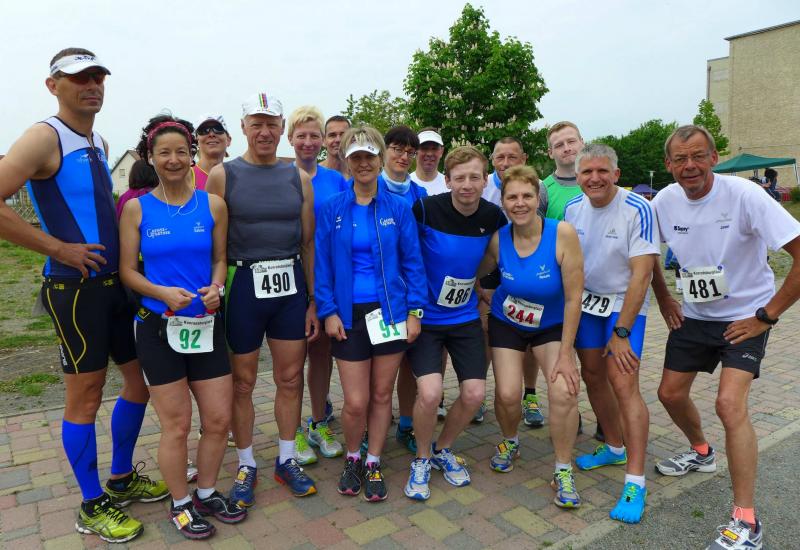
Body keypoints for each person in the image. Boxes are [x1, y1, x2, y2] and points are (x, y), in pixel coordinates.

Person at [0, 48, 167, 544]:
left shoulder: (97, 140)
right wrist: (58, 248)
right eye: (79, 78)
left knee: (139, 384)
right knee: (86, 396)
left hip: (114, 287)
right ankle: (92, 504)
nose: (91, 85)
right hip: (74, 292)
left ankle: (121, 477)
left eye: (97, 77)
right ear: (53, 85)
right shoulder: (43, 136)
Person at [651, 125, 800, 550]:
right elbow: (646, 255)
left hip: (744, 317)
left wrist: (766, 317)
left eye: (698, 156)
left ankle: (746, 519)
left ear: (714, 158)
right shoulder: (663, 201)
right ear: (668, 164)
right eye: (681, 159)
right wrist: (664, 297)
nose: (690, 166)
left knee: (729, 404)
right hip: (695, 317)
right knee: (669, 394)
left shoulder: (746, 196)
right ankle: (701, 452)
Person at [119, 116, 246, 539]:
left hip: (206, 324)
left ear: (191, 155)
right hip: (160, 327)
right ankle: (180, 503)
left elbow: (220, 259)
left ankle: (206, 491)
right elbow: (127, 271)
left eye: (180, 152)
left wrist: (217, 288)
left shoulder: (213, 205)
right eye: (164, 153)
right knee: (176, 425)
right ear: (150, 158)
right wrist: (161, 292)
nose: (173, 160)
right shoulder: (137, 208)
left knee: (218, 419)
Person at [206, 92, 320, 503]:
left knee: (290, 378)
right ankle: (246, 463)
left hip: (289, 288)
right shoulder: (222, 175)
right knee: (243, 382)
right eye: (257, 124)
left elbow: (307, 243)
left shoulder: (298, 178)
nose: (265, 131)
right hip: (243, 287)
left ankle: (286, 458)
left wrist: (312, 300)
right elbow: (214, 245)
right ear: (243, 129)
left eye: (272, 124)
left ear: (282, 129)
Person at [315, 125, 427, 501]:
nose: (363, 163)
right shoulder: (332, 208)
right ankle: (353, 457)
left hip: (391, 313)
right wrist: (328, 311)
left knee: (381, 395)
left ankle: (374, 460)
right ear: (347, 161)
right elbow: (322, 266)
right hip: (348, 315)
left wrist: (415, 312)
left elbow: (413, 263)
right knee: (356, 401)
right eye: (356, 157)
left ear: (380, 159)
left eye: (369, 156)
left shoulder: (398, 208)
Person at [478, 165, 584, 509]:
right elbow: (476, 271)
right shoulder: (499, 238)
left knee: (563, 390)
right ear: (503, 202)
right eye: (512, 197)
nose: (520, 203)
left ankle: (563, 469)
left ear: (538, 198)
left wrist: (566, 353)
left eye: (527, 195)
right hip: (507, 322)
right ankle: (510, 441)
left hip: (551, 326)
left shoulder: (562, 233)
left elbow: (574, 298)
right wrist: (482, 295)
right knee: (508, 394)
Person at [404, 146, 506, 500]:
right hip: (426, 319)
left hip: (464, 317)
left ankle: (442, 449)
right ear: (447, 181)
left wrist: (479, 283)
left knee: (475, 393)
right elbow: (407, 255)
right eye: (459, 178)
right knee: (431, 393)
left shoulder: (493, 216)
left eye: (474, 177)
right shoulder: (425, 209)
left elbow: (494, 257)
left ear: (485, 180)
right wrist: (410, 308)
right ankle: (421, 457)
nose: (467, 185)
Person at [564, 143, 659, 524]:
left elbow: (643, 273)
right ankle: (614, 447)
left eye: (602, 171)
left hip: (624, 303)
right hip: (588, 303)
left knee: (624, 383)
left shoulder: (638, 207)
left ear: (616, 174)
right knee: (593, 375)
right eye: (587, 172)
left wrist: (622, 331)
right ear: (578, 177)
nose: (595, 178)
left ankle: (635, 481)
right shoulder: (573, 208)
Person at [287, 105, 346, 464]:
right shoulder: (281, 177)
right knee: (293, 358)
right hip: (291, 276)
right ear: (290, 139)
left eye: (314, 135)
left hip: (327, 278)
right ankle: (291, 428)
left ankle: (318, 421)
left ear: (323, 140)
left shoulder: (335, 180)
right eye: (301, 135)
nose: (308, 142)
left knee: (322, 354)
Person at [480, 137, 546, 429]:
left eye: (512, 157)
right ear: (492, 160)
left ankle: (530, 394)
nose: (505, 163)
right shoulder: (483, 185)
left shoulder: (537, 187)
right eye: (500, 157)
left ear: (523, 158)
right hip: (491, 265)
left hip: (527, 268)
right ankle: (481, 395)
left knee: (531, 331)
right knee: (486, 333)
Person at [380, 125, 427, 453]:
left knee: (409, 362)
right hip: (376, 291)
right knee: (377, 368)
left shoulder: (419, 194)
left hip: (408, 289)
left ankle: (407, 424)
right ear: (385, 150)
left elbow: (422, 246)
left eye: (410, 152)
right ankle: (370, 428)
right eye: (397, 149)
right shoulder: (368, 186)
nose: (403, 156)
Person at [539, 121, 585, 220]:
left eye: (571, 141)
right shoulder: (542, 191)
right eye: (559, 145)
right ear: (550, 153)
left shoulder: (600, 181)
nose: (567, 148)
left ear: (582, 143)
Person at [192, 115, 231, 191]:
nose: (211, 134)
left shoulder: (239, 176)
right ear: (197, 141)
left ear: (228, 140)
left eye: (218, 129)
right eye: (204, 130)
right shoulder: (185, 176)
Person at [410, 128, 447, 196]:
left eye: (434, 149)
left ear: (441, 151)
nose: (429, 154)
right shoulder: (404, 185)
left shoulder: (450, 186)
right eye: (424, 148)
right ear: (415, 150)